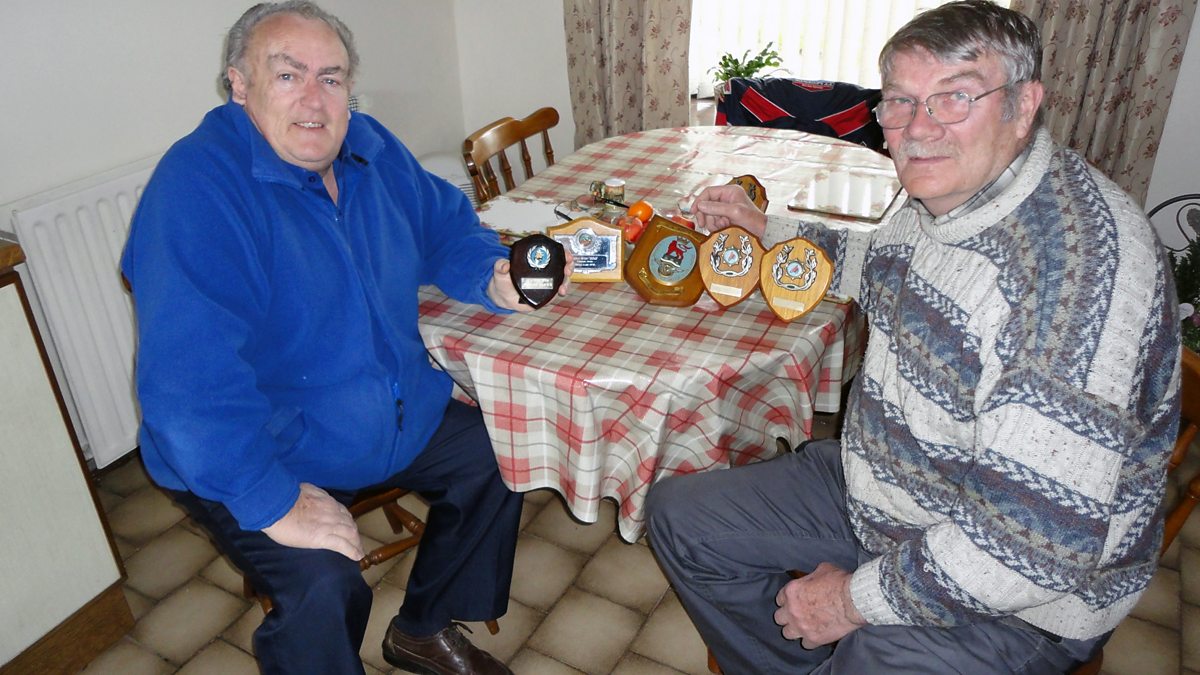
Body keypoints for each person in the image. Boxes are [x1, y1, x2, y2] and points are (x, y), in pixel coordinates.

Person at [645, 2, 1182, 673]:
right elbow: (884, 264)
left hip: (1027, 598)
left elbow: (1033, 545)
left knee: (870, 652)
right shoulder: (949, 193)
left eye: (955, 97)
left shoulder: (1075, 276)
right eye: (900, 101)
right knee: (680, 516)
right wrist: (769, 233)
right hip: (889, 488)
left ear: (1023, 106)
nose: (919, 129)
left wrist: (853, 600)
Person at [120, 3, 569, 674]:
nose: (314, 99)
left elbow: (445, 226)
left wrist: (488, 274)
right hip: (257, 444)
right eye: (288, 75)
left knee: (502, 451)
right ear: (238, 83)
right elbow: (188, 389)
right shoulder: (195, 191)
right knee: (324, 584)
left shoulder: (369, 145)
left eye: (330, 78)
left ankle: (423, 628)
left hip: (381, 412)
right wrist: (272, 501)